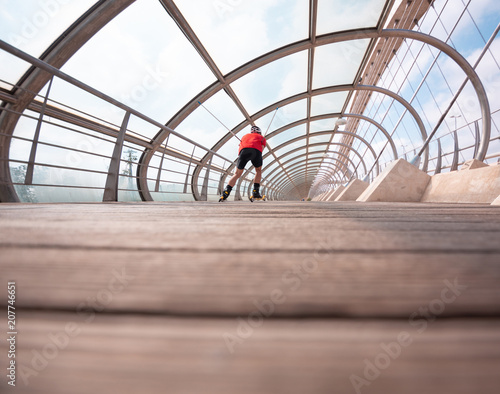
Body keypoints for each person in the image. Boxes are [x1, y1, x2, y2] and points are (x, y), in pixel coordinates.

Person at [219, 125, 266, 201]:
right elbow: (261, 149)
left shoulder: (244, 136)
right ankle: (255, 192)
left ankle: (226, 192)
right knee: (258, 170)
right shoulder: (262, 138)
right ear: (259, 132)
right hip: (256, 152)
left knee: (237, 173)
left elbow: (240, 146)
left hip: (243, 151)